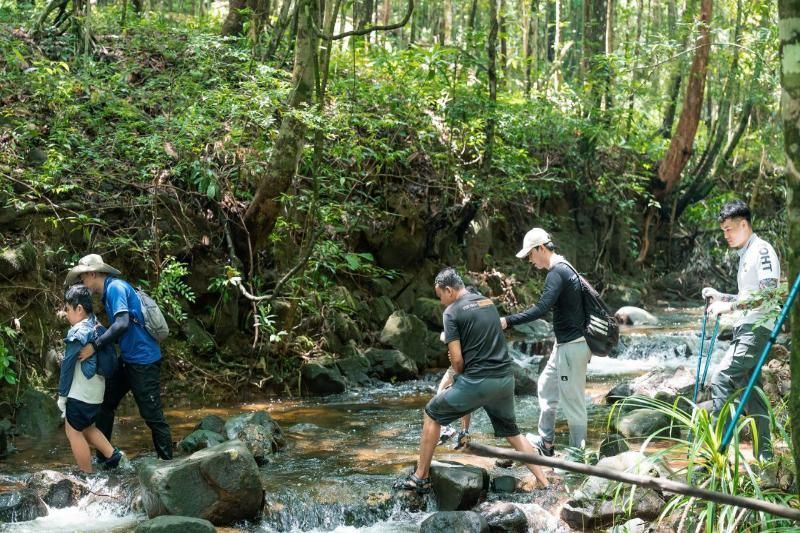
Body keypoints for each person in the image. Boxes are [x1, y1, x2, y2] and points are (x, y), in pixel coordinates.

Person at [393, 268, 549, 494]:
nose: (441, 301)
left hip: (479, 381)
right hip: (505, 379)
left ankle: (421, 476)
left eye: (440, 296)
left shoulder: (452, 312)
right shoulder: (487, 302)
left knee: (431, 413)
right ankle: (544, 482)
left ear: (448, 290)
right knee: (512, 433)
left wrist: (458, 368)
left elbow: (457, 362)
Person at [65, 254, 173, 460]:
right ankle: (105, 461)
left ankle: (169, 467)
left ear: (93, 273)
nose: (82, 283)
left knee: (152, 416)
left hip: (143, 360)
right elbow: (121, 329)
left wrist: (94, 346)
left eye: (83, 278)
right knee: (105, 404)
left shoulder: (115, 288)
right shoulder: (110, 291)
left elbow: (122, 323)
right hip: (129, 359)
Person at [500, 228, 591, 457]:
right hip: (565, 345)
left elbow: (541, 308)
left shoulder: (557, 273)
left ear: (541, 248)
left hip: (572, 346)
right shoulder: (564, 268)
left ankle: (577, 457)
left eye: (530, 254)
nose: (529, 260)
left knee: (573, 403)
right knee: (545, 386)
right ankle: (546, 443)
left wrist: (507, 321)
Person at [702, 199, 779, 462]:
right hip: (747, 328)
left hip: (756, 331)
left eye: (729, 229)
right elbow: (748, 295)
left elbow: (768, 294)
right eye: (723, 230)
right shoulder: (747, 252)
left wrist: (729, 306)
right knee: (754, 396)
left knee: (722, 376)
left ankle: (716, 452)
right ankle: (765, 459)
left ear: (744, 224)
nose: (726, 235)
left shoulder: (762, 250)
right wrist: (719, 296)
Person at [59, 284, 123, 472]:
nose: (67, 314)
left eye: (68, 309)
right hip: (97, 394)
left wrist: (62, 396)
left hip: (81, 394)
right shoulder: (98, 326)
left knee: (73, 431)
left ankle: (87, 475)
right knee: (86, 427)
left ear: (79, 309)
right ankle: (113, 456)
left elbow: (67, 365)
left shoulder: (78, 332)